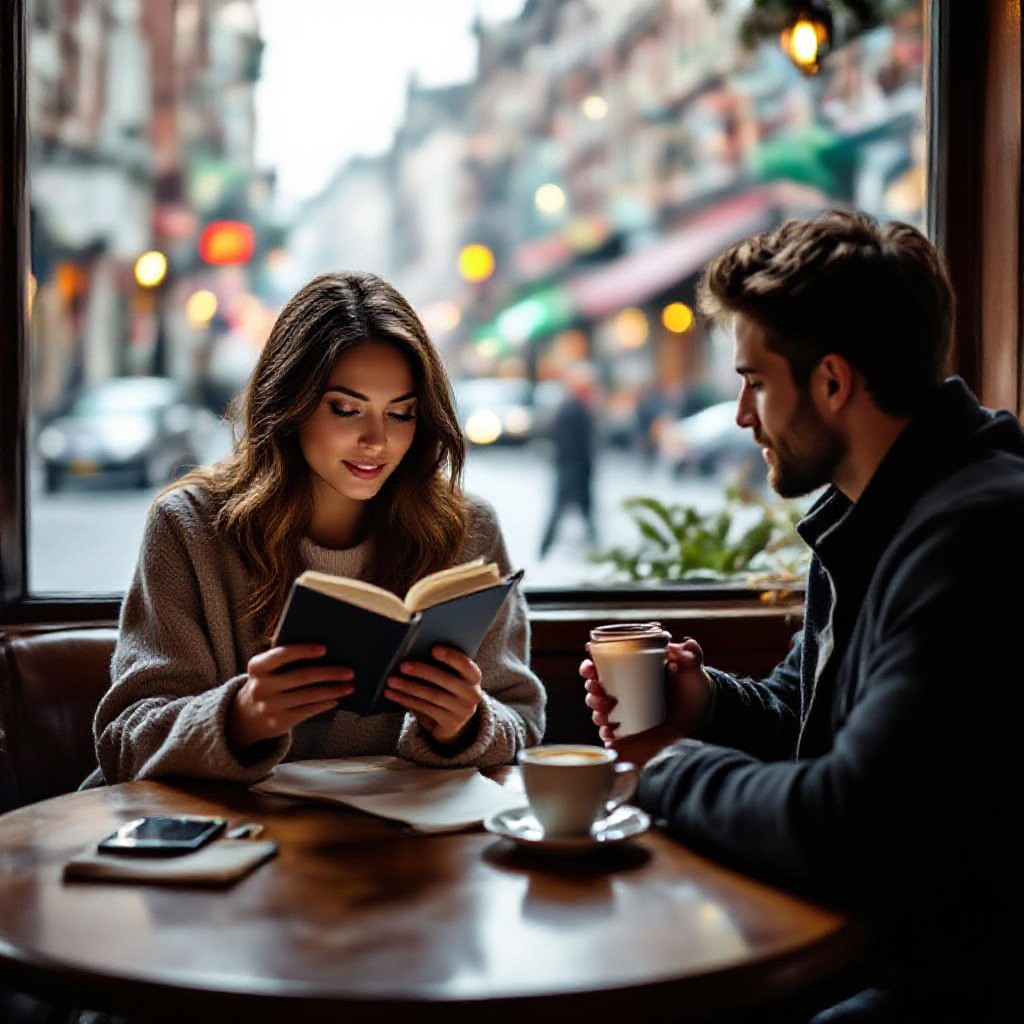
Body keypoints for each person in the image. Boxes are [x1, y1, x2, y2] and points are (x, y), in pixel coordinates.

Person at [582, 211, 1023, 1023]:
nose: (743, 416)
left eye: (753, 380)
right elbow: (805, 713)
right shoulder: (874, 510)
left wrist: (668, 765)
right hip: (874, 944)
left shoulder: (976, 535)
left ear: (831, 382)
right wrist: (705, 702)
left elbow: (847, 828)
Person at [87, 271, 545, 787]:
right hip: (233, 837)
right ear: (290, 404)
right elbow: (124, 738)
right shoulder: (190, 526)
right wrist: (241, 716)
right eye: (346, 409)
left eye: (401, 413)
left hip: (393, 843)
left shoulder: (467, 530)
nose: (377, 440)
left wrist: (466, 724)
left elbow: (523, 719)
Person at [538, 361, 598, 558]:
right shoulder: (572, 408)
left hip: (576, 469)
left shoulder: (575, 406)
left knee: (582, 512)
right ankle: (544, 550)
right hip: (572, 470)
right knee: (562, 511)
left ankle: (594, 546)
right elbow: (569, 442)